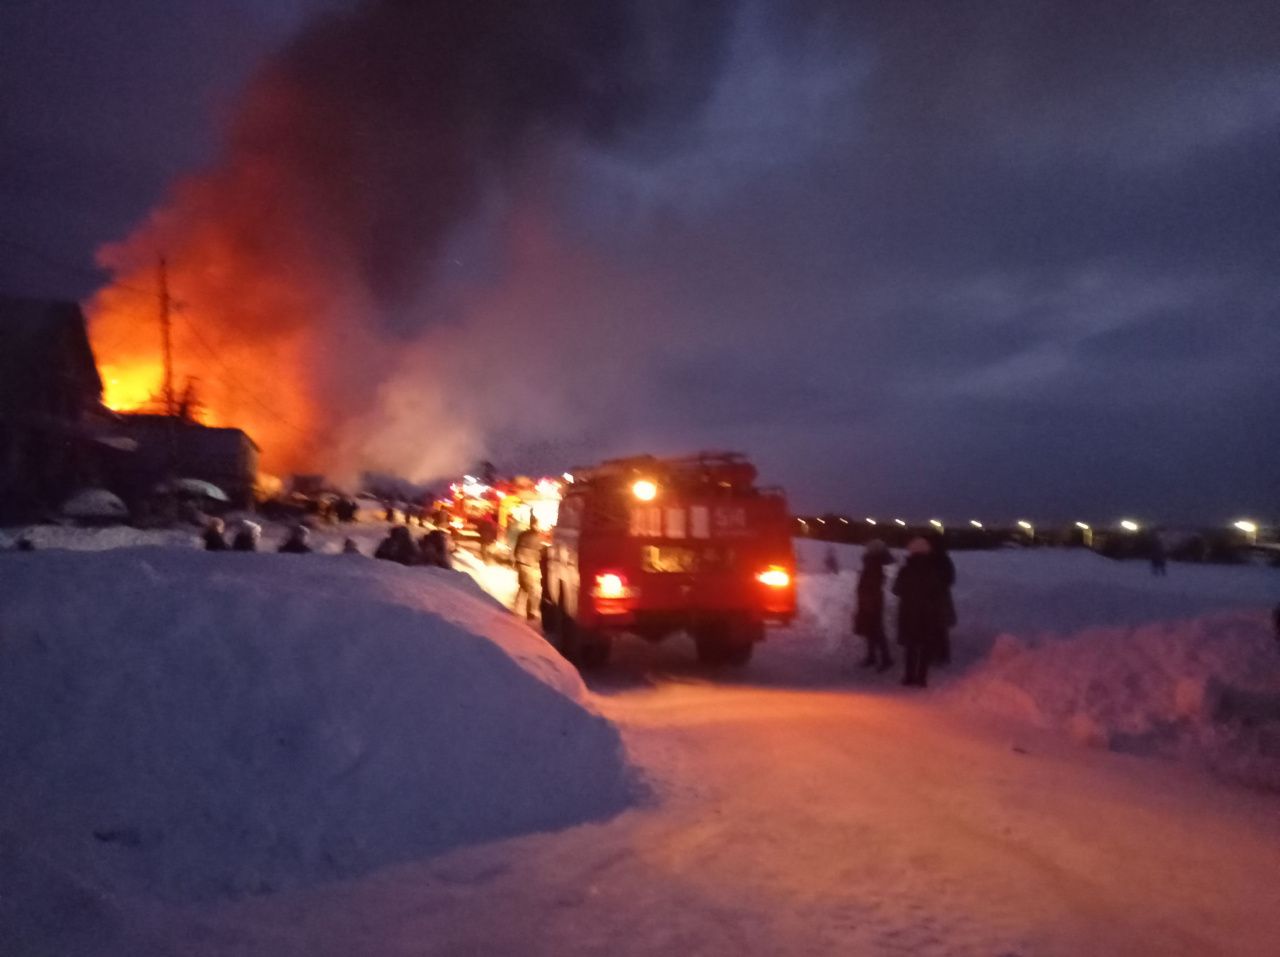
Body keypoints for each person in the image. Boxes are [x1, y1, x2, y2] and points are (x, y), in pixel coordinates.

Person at [893, 536, 948, 688]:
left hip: (908, 613)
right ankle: (921, 678)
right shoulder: (932, 571)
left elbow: (896, 589)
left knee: (910, 646)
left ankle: (909, 676)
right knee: (925, 646)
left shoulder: (906, 570)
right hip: (927, 614)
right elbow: (938, 591)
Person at [853, 540, 895, 671]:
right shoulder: (874, 563)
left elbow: (871, 584)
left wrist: (867, 600)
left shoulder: (873, 563)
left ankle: (885, 658)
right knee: (871, 629)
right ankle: (874, 656)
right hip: (871, 600)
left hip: (871, 601)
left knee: (876, 629)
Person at [928, 530, 957, 665]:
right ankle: (940, 655)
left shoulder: (937, 559)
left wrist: (935, 585)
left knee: (937, 627)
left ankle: (940, 655)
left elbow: (948, 579)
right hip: (940, 597)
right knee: (939, 627)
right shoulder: (944, 559)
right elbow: (950, 579)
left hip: (937, 598)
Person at [513, 518, 543, 621]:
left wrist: (516, 561)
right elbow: (538, 552)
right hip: (529, 564)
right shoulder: (536, 536)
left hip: (521, 562)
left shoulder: (522, 534)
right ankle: (529, 612)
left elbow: (517, 548)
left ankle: (516, 605)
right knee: (530, 587)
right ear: (535, 525)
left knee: (523, 586)